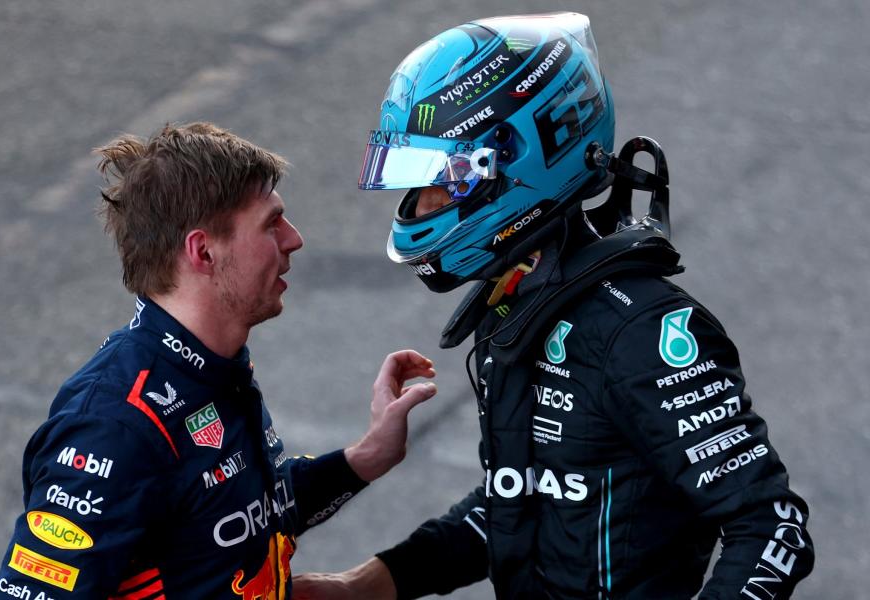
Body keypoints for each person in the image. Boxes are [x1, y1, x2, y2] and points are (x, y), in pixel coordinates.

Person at [294, 13, 814, 599]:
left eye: (439, 179)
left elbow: (772, 526)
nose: (418, 207)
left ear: (512, 162)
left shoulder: (640, 331)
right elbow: (525, 497)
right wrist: (367, 584)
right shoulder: (515, 303)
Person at [0, 122, 438, 599]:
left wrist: (366, 458)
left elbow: (239, 516)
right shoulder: (114, 425)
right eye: (271, 223)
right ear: (203, 250)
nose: (294, 239)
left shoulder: (214, 368)